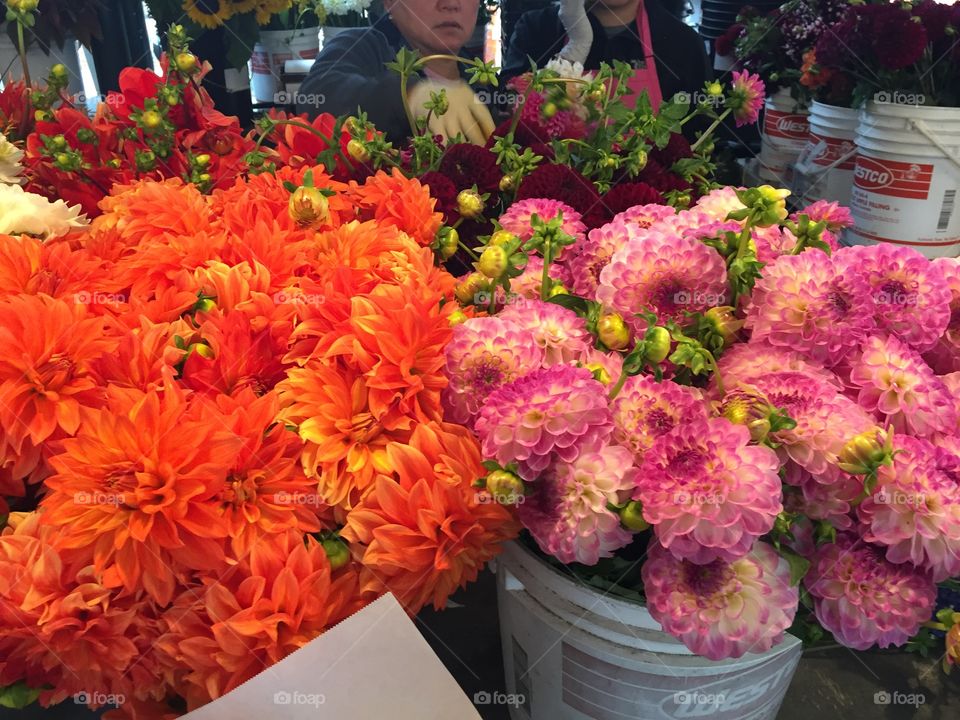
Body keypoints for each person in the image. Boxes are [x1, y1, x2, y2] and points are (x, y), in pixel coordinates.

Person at [297, 0, 495, 144]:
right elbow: (319, 95)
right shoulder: (362, 46)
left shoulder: (479, 75)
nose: (451, 4)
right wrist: (411, 96)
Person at [501, 0, 711, 110]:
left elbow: (697, 145)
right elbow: (512, 118)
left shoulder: (683, 44)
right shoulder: (535, 30)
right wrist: (577, 45)